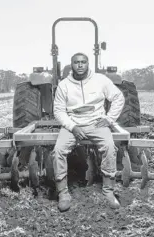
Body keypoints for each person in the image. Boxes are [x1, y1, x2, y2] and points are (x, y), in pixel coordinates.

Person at [52, 52, 125, 212]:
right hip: (73, 124)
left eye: (83, 62)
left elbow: (118, 97)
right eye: (76, 62)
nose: (80, 65)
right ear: (71, 65)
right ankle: (63, 193)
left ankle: (108, 192)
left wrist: (109, 119)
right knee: (58, 151)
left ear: (88, 63)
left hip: (96, 123)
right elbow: (58, 111)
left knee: (110, 147)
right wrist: (72, 127)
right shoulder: (64, 85)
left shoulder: (101, 80)